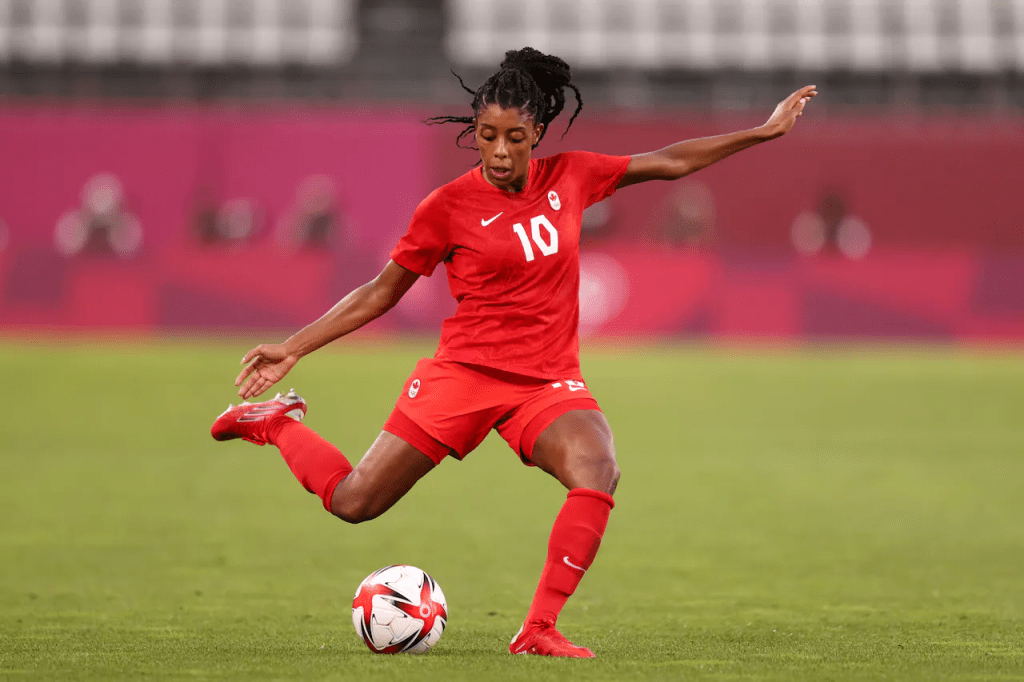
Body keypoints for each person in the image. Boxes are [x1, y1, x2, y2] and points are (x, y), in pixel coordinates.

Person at [211, 47, 816, 658]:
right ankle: (277, 424)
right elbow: (380, 292)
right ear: (475, 132)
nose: (499, 151)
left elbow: (671, 161)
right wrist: (293, 347)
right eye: (487, 136)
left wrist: (762, 132)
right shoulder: (447, 207)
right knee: (353, 502)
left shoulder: (573, 175)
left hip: (546, 382)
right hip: (463, 376)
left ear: (537, 134)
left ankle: (538, 629)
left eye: (514, 138)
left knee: (597, 469)